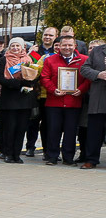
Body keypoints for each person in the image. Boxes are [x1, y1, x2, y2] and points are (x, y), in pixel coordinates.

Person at [39, 35, 89, 165]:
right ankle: (52, 157)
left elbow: (89, 78)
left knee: (71, 131)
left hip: (74, 101)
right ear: (59, 46)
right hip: (54, 102)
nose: (67, 48)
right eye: (64, 45)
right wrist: (53, 89)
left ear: (75, 46)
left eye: (70, 45)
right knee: (53, 130)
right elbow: (44, 78)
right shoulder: (50, 60)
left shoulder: (84, 60)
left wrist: (81, 89)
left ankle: (68, 158)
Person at [0, 37, 40, 164]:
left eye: (17, 46)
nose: (15, 48)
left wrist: (29, 81)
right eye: (13, 46)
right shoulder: (3, 60)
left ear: (22, 47)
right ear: (9, 47)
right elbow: (0, 78)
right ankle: (8, 153)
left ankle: (17, 154)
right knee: (10, 127)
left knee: (21, 128)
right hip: (9, 98)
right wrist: (17, 83)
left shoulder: (29, 60)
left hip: (24, 98)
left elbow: (36, 76)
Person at [25, 26, 58, 157]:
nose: (47, 37)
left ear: (56, 37)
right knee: (32, 121)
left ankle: (46, 149)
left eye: (51, 35)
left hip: (50, 94)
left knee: (47, 123)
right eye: (45, 35)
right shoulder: (35, 51)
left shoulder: (58, 52)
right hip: (36, 93)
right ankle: (30, 146)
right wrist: (29, 54)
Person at [80, 39, 106, 169]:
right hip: (99, 99)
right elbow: (84, 69)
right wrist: (98, 74)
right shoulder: (97, 51)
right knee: (94, 132)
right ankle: (91, 159)